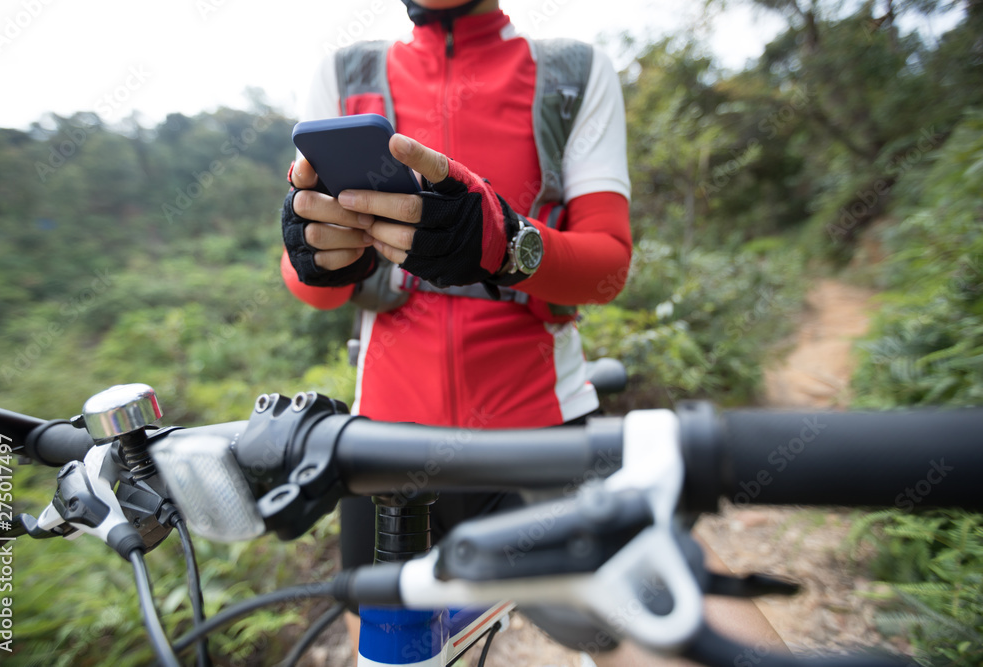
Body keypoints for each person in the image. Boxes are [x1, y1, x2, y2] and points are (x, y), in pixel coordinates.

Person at [281, 0, 783, 663]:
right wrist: (314, 257)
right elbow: (310, 286)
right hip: (384, 449)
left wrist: (505, 242)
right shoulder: (345, 75)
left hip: (541, 436)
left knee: (694, 641)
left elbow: (606, 268)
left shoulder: (570, 75)